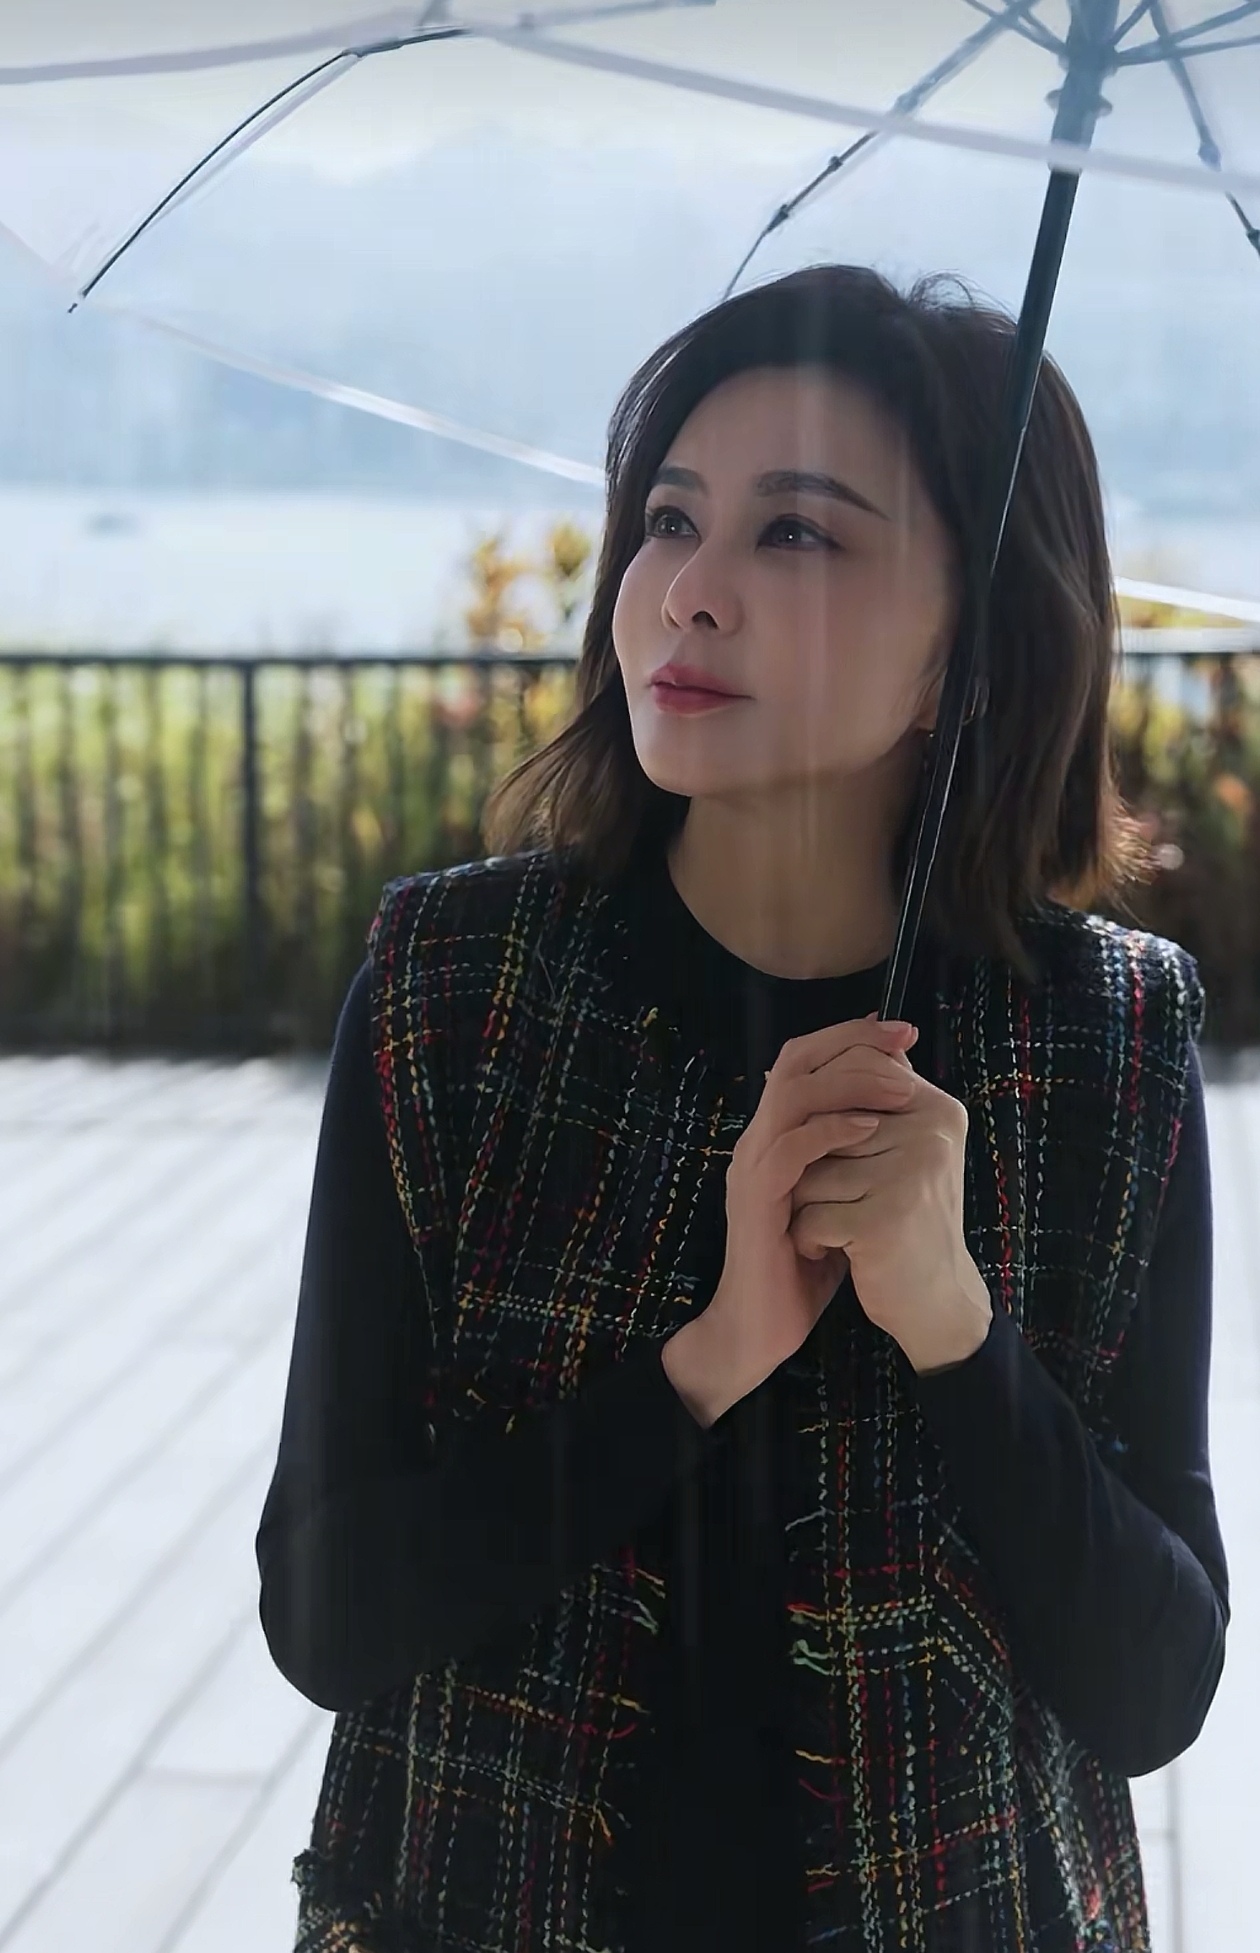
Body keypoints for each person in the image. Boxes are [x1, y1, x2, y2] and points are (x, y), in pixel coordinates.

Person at [257, 264, 1228, 1953]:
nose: (688, 595)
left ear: (966, 653)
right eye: (670, 519)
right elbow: (326, 1616)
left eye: (796, 533)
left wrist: (955, 1328)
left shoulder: (1109, 1042)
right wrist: (703, 1360)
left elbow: (1154, 1690)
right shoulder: (458, 992)